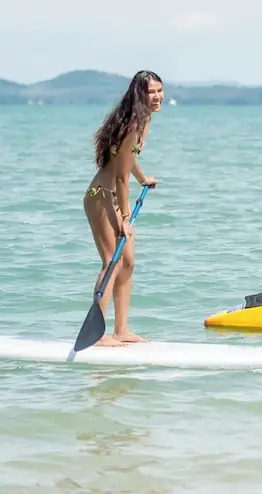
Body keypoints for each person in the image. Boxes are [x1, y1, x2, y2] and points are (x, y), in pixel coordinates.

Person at [82, 70, 163, 346]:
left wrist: (142, 178)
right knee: (112, 262)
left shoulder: (143, 120)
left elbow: (128, 160)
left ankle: (121, 330)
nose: (157, 96)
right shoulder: (132, 125)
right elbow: (119, 177)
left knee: (128, 262)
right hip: (101, 197)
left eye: (160, 90)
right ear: (140, 95)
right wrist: (125, 219)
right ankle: (96, 335)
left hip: (115, 198)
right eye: (151, 92)